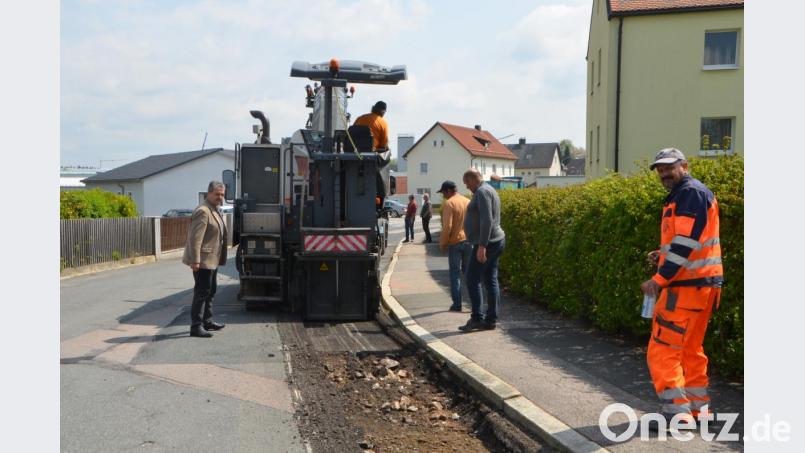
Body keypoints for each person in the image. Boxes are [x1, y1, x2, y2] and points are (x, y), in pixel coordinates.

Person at [640, 148, 723, 425]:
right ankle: (699, 411)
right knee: (690, 349)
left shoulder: (689, 194)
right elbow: (689, 242)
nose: (664, 173)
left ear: (684, 166)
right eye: (660, 169)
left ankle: (678, 414)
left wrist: (659, 279)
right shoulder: (691, 194)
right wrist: (662, 255)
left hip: (684, 288)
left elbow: (685, 244)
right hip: (702, 285)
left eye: (669, 167)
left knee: (663, 349)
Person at [459, 169, 506, 331]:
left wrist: (482, 246)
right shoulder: (489, 189)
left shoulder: (482, 192)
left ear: (473, 179)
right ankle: (491, 320)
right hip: (495, 240)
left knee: (472, 278)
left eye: (467, 183)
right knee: (490, 279)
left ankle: (477, 318)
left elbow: (487, 220)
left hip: (488, 243)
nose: (467, 187)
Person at [182, 181, 229, 338]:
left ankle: (207, 321)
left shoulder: (214, 210)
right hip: (203, 260)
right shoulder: (203, 211)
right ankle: (196, 326)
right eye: (217, 194)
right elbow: (195, 239)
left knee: (211, 290)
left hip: (212, 260)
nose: (220, 197)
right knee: (202, 292)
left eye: (222, 194)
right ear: (208, 193)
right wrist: (195, 260)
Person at [437, 181, 471, 312]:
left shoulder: (449, 203)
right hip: (469, 241)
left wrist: (443, 243)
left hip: (455, 242)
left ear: (448, 191)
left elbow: (448, 227)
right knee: (469, 274)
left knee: (455, 274)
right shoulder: (467, 201)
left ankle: (457, 304)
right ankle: (474, 304)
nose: (443, 196)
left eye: (443, 193)